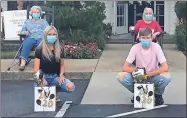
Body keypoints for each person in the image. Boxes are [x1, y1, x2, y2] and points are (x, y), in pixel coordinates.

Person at [117, 27, 171, 106]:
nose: (146, 40)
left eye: (148, 38)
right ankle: (137, 92)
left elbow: (165, 67)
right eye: (143, 38)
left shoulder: (156, 47)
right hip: (139, 76)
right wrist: (138, 72)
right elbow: (125, 67)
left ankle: (157, 94)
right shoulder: (135, 48)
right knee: (120, 76)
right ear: (139, 38)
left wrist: (149, 73)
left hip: (153, 74)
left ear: (151, 38)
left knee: (167, 77)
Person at [33, 25, 75, 102]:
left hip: (55, 77)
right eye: (49, 34)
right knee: (44, 91)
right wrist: (41, 79)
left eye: (54, 34)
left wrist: (61, 75)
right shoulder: (39, 49)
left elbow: (62, 65)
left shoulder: (60, 49)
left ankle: (55, 91)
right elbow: (36, 69)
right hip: (43, 76)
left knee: (71, 87)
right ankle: (49, 92)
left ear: (56, 36)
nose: (52, 36)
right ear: (45, 35)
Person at [19, 6, 49, 71]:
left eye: (37, 12)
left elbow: (49, 30)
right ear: (31, 13)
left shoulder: (44, 22)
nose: (36, 13)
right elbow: (22, 31)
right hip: (30, 37)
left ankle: (42, 63)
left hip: (41, 38)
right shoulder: (27, 22)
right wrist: (25, 32)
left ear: (40, 13)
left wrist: (46, 33)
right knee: (26, 44)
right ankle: (23, 63)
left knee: (42, 45)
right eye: (34, 12)